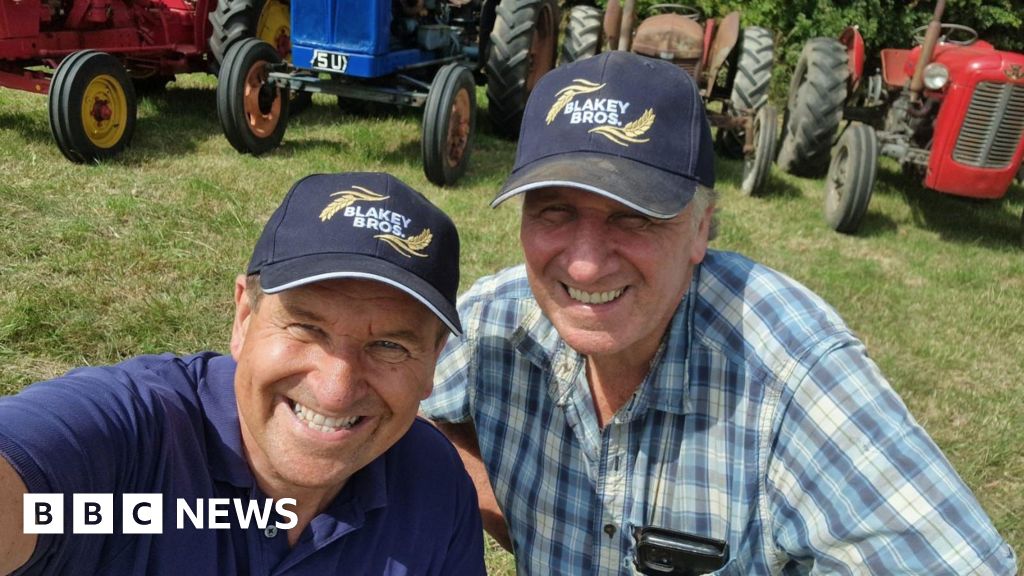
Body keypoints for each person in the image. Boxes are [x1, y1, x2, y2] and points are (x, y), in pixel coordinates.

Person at [421, 51, 1018, 574]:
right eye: (554, 211)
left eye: (634, 216)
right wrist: (526, 515)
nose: (583, 266)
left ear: (702, 227)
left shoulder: (786, 369)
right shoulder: (494, 322)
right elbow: (403, 417)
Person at [0, 172, 485, 575]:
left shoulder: (433, 487)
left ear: (433, 361)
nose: (336, 391)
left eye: (389, 346)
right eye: (307, 327)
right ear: (244, 318)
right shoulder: (134, 448)